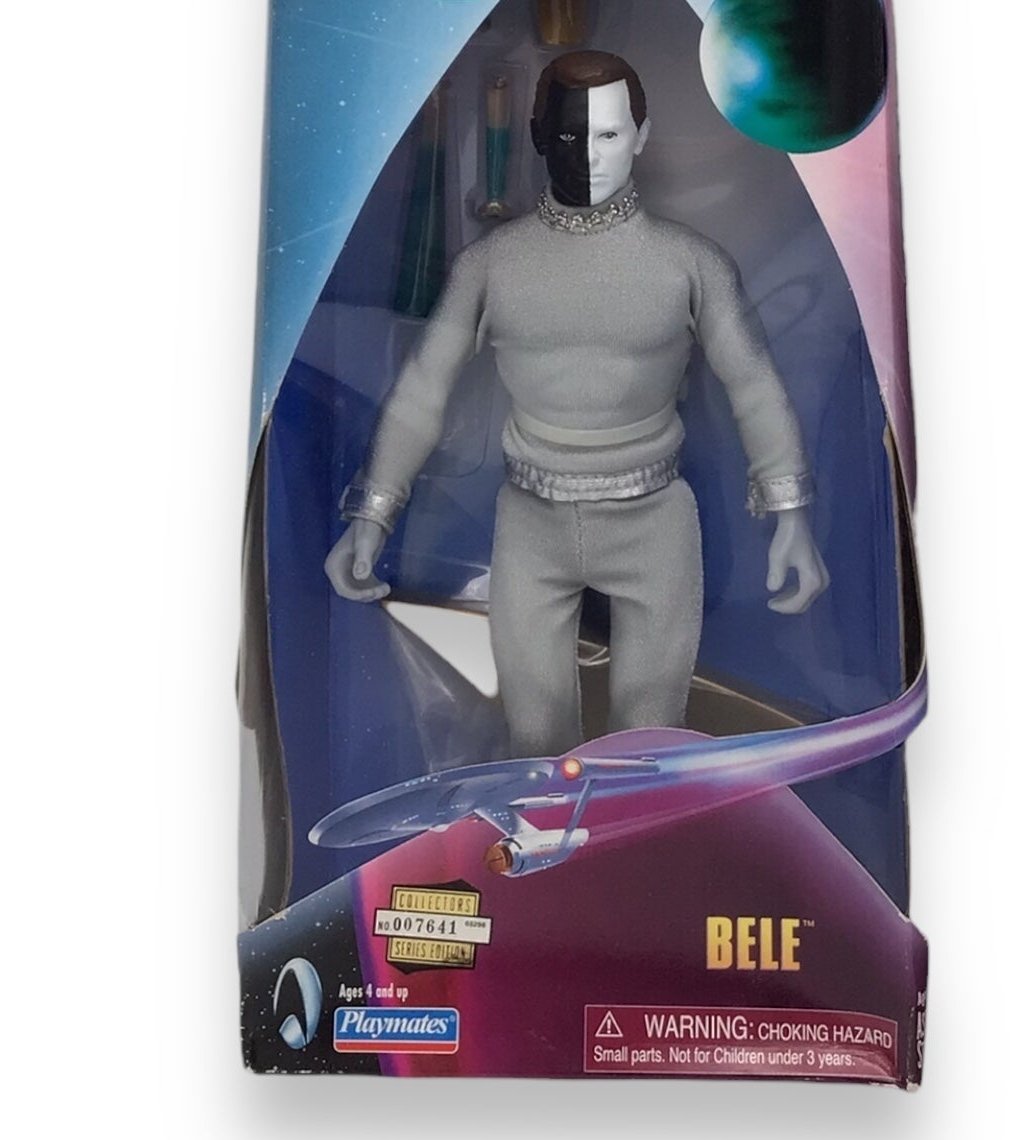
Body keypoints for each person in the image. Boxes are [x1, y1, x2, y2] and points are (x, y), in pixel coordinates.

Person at [325, 50, 828, 754]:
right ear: (537, 136)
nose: (588, 155)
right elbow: (421, 388)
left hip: (655, 525)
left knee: (650, 743)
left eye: (608, 134)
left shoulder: (690, 263)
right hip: (531, 524)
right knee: (534, 738)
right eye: (568, 135)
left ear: (642, 137)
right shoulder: (491, 266)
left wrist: (791, 514)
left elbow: (754, 384)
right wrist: (372, 514)